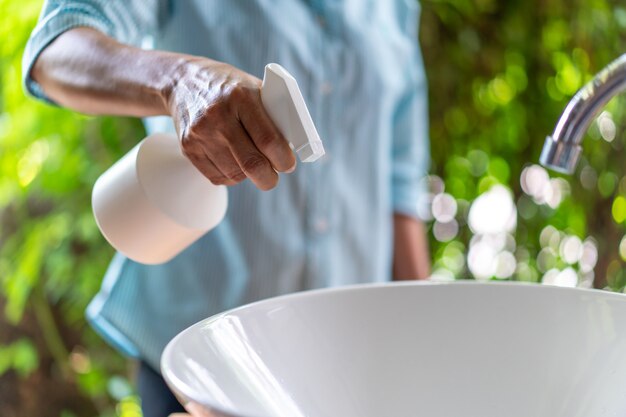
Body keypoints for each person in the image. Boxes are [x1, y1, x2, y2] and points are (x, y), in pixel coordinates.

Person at [23, 1, 431, 416]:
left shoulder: (395, 9)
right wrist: (178, 80)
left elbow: (400, 185)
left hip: (342, 365)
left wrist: (424, 358)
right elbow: (54, 50)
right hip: (200, 362)